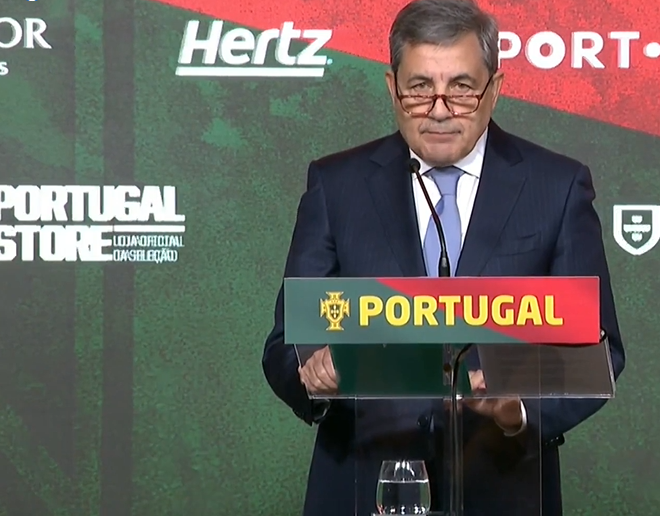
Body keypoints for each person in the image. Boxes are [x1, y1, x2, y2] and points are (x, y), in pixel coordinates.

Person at [262, 0, 626, 514]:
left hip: (505, 488)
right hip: (363, 486)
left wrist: (519, 409)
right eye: (419, 88)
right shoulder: (336, 185)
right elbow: (286, 346)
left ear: (494, 89)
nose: (439, 109)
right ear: (392, 87)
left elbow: (598, 351)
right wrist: (314, 374)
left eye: (461, 87)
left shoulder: (557, 186)